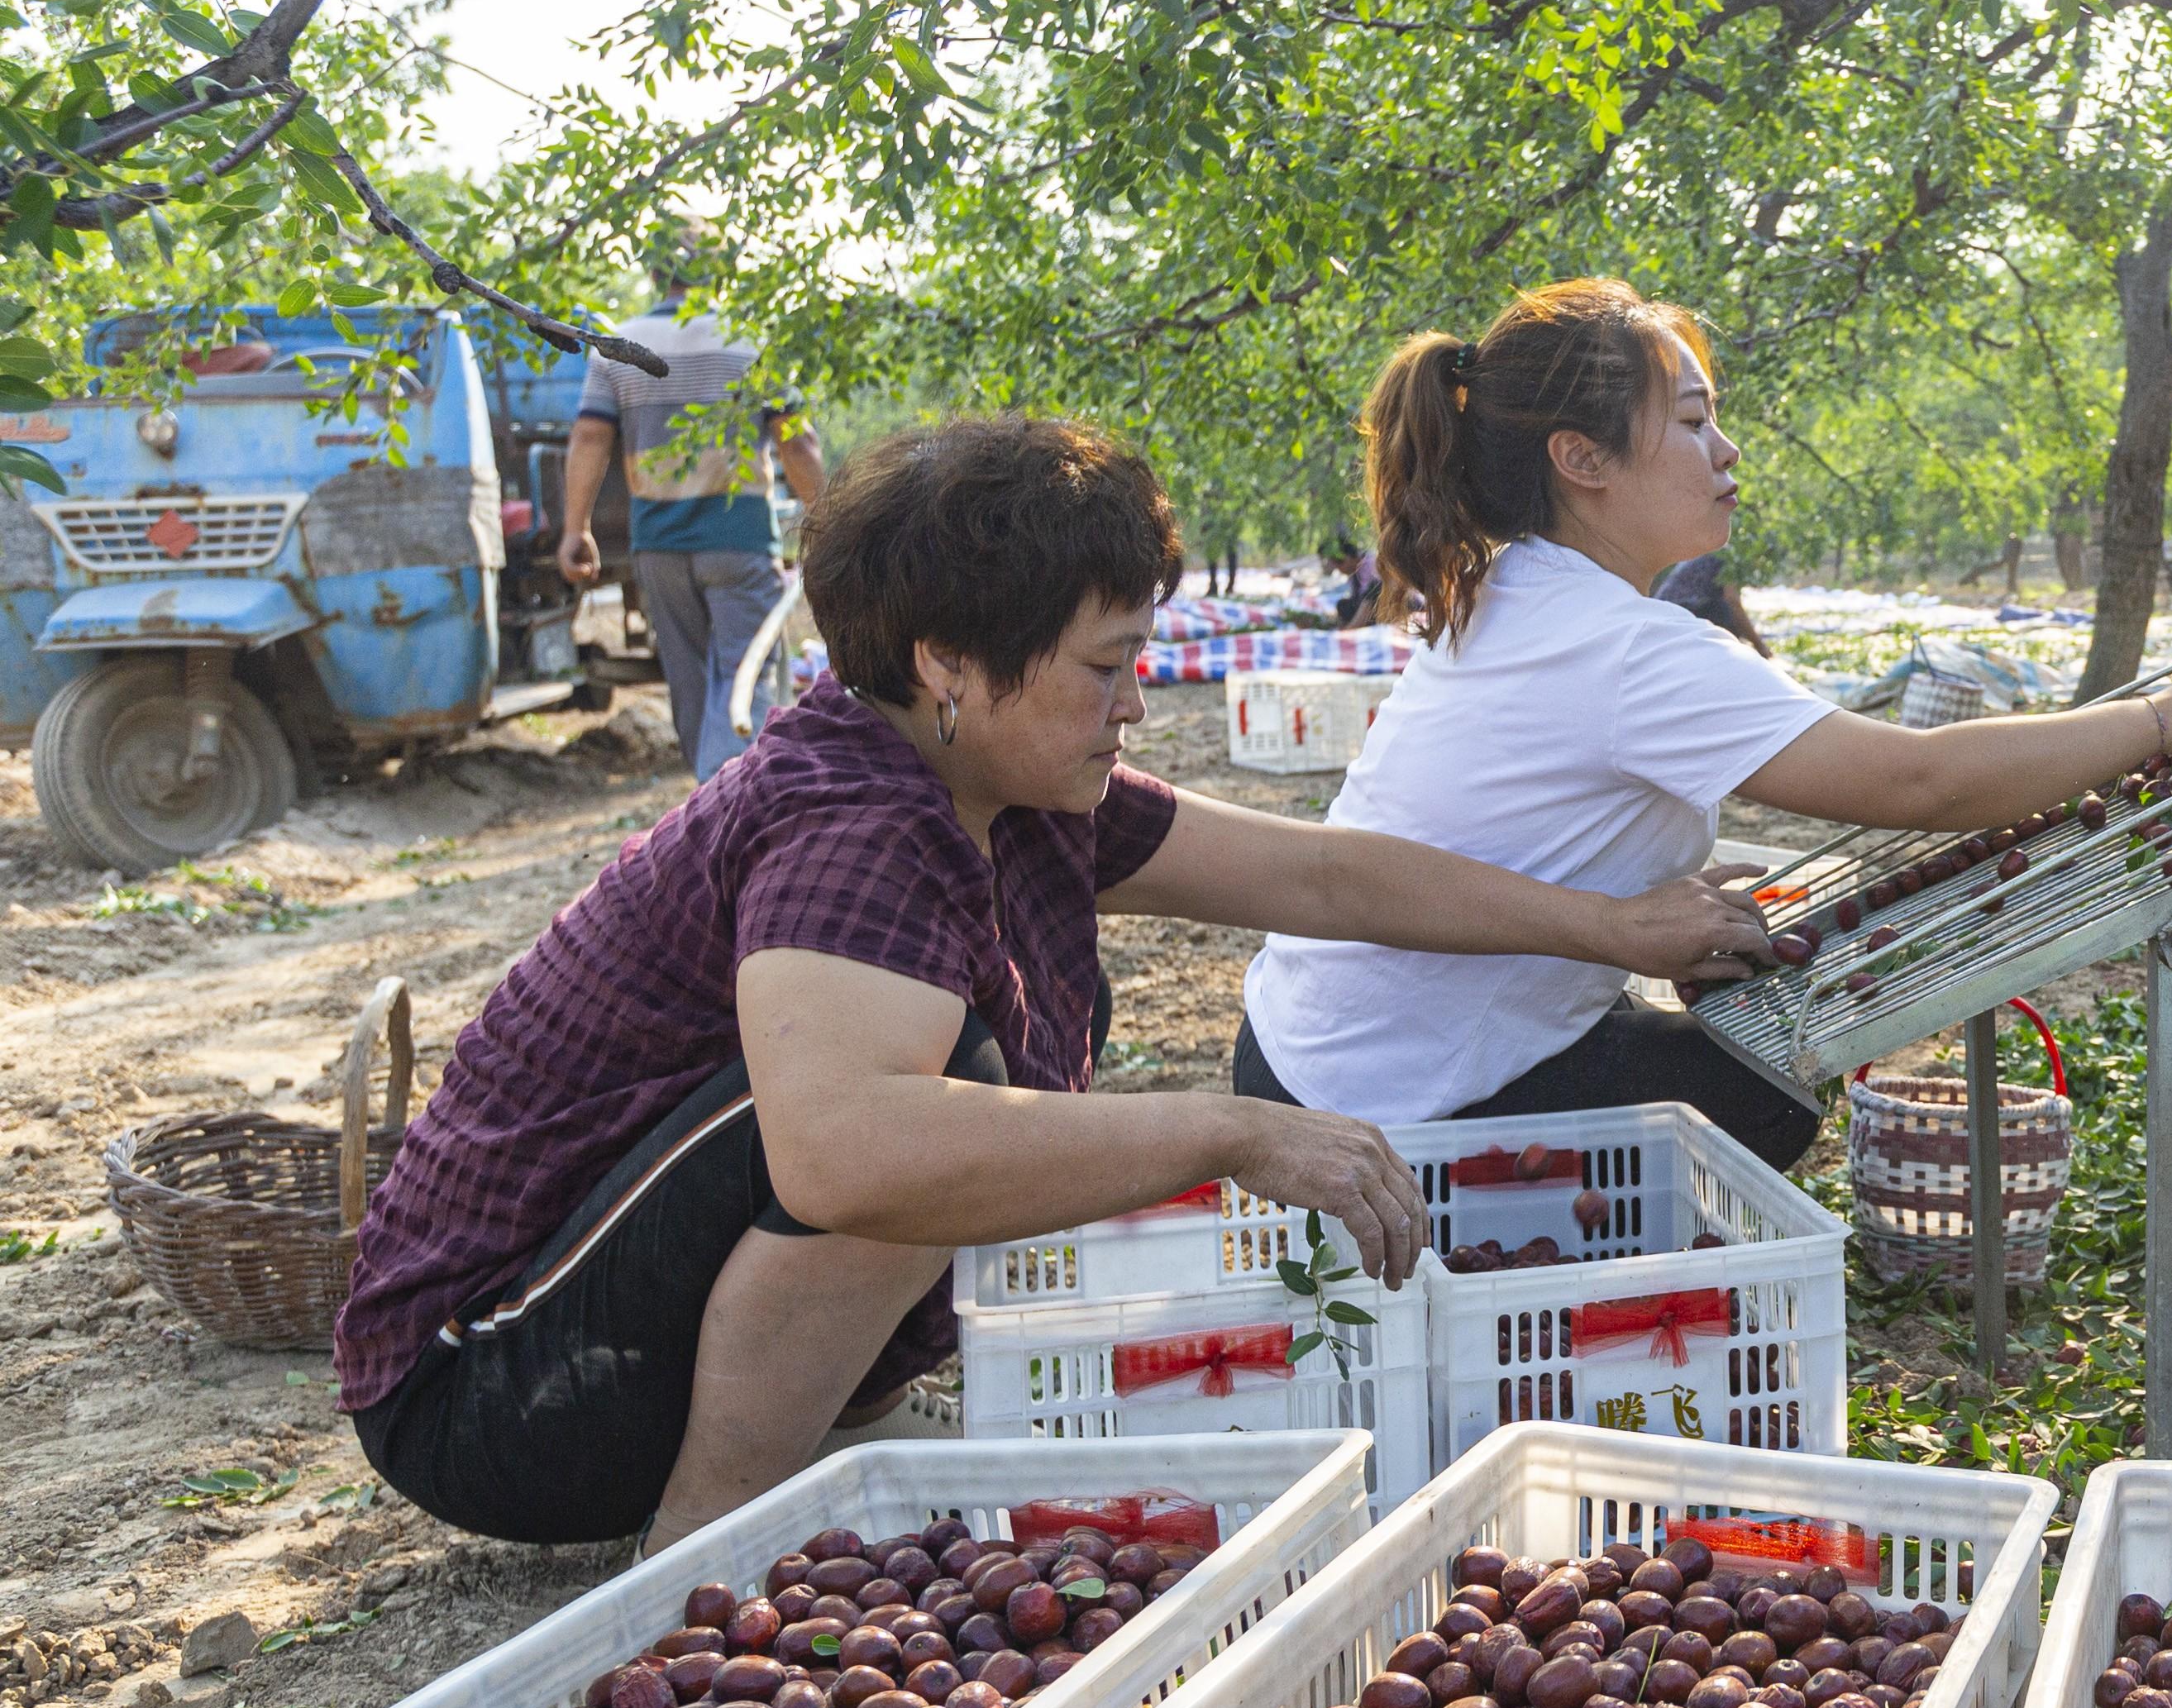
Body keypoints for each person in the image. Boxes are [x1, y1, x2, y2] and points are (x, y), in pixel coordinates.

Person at [339, 414, 1769, 1551]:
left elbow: (1327, 880)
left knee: (945, 1094)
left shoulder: (1005, 781)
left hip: (603, 1341)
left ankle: (770, 1461)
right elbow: (847, 1157)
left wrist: (1608, 927)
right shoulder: (854, 823)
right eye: (1106, 666)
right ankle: (705, 1546)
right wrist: (1230, 1129)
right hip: (496, 1387)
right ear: (948, 663)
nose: (1138, 702)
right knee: (922, 1107)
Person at [1235, 279, 2172, 1165]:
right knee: (1759, 1095)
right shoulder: (1623, 647)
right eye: (1692, 424)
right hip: (1376, 1110)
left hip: (1300, 1049)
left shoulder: (1516, 592)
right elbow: (1917, 785)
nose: (1727, 450)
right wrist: (2158, 719)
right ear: (1581, 460)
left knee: (1713, 1055)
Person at [561, 238, 825, 780]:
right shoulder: (749, 343)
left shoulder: (619, 345)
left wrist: (575, 529)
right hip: (738, 541)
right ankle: (727, 803)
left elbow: (590, 436)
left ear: (656, 271)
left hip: (658, 546)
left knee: (690, 685)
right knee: (746, 678)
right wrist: (829, 517)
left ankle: (712, 798)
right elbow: (795, 442)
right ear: (720, 269)